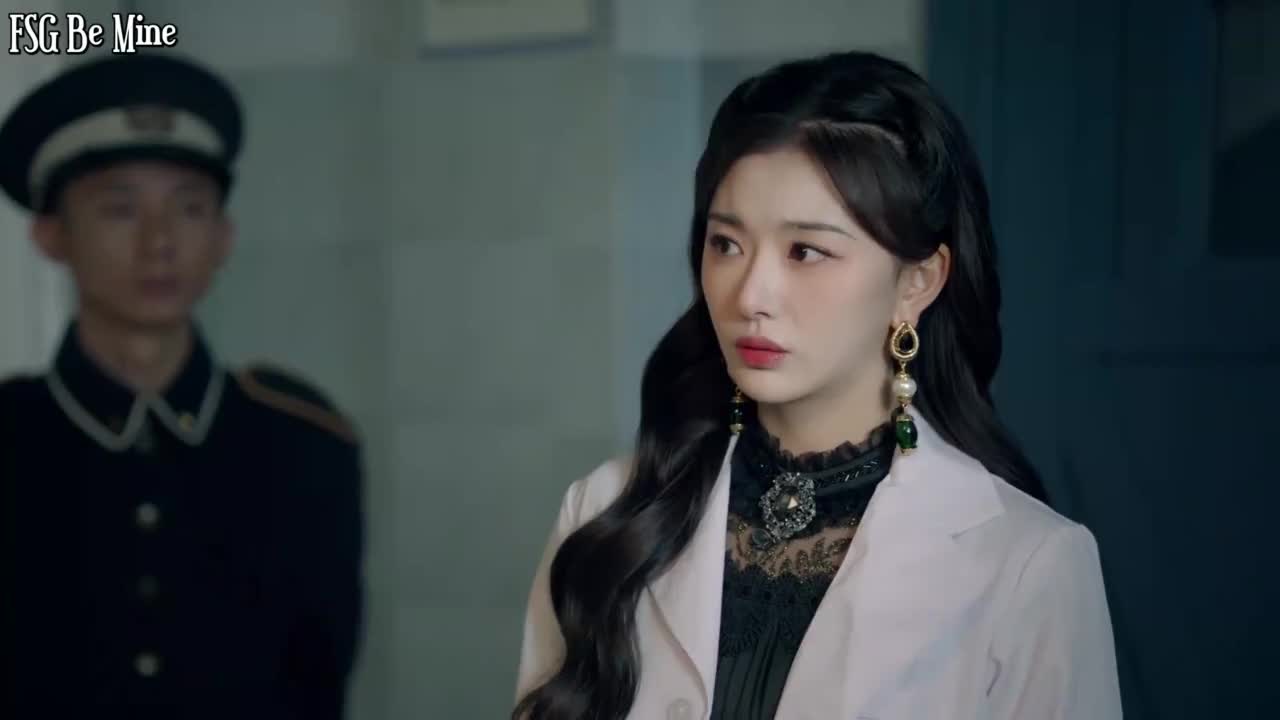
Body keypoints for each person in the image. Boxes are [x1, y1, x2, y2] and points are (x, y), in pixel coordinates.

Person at [512, 51, 1123, 720]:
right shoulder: (606, 515)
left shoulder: (1031, 564)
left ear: (917, 282)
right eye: (726, 244)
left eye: (806, 251)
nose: (751, 294)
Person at [0, 53, 364, 720]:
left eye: (190, 207)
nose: (159, 241)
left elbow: (316, 688)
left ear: (223, 236)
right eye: (119, 209)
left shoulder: (305, 448)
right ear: (51, 236)